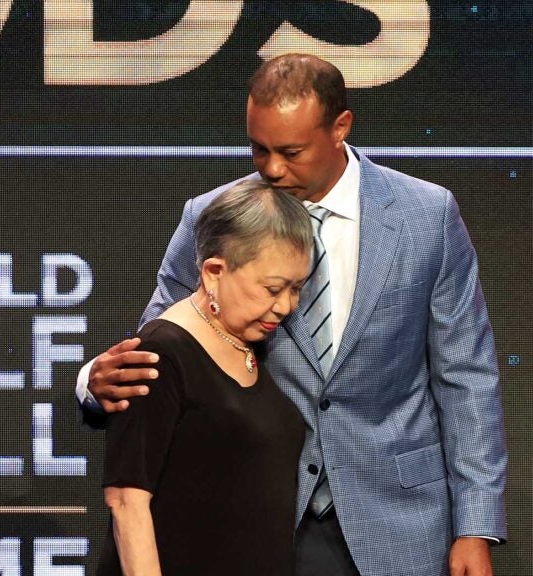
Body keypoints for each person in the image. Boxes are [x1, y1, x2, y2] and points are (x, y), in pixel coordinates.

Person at [79, 54, 507, 576]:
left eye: (292, 151)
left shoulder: (427, 217)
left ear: (340, 127)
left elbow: (467, 377)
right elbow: (163, 343)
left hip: (399, 519)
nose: (272, 169)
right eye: (259, 149)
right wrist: (93, 382)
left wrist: (474, 525)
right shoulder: (215, 217)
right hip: (255, 513)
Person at [98, 179, 312, 576]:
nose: (285, 306)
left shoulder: (253, 344)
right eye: (272, 288)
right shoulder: (161, 353)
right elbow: (127, 501)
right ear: (214, 271)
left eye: (296, 288)